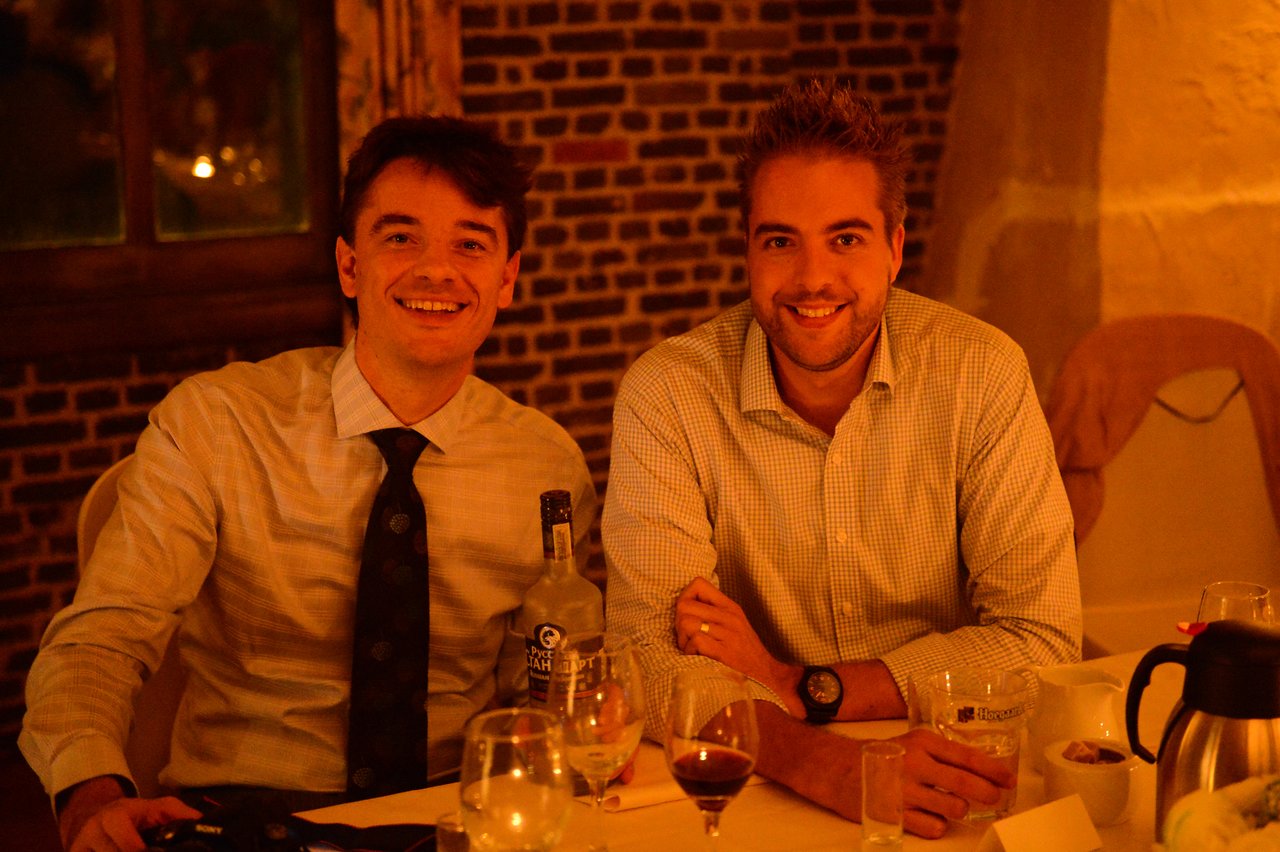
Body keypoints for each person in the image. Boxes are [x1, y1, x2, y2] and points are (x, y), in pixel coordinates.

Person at [20, 115, 596, 851]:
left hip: (451, 818)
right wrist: (89, 794)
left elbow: (538, 690)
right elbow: (102, 638)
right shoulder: (219, 423)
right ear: (350, 266)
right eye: (400, 237)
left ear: (507, 278)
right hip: (240, 817)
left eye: (470, 245)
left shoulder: (545, 466)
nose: (436, 269)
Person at [603, 78, 1081, 839]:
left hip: (948, 776)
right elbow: (646, 660)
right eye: (780, 240)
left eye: (846, 238)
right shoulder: (668, 395)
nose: (813, 277)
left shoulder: (981, 373)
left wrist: (802, 686)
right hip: (752, 790)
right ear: (748, 250)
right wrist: (823, 761)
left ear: (895, 248)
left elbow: (1040, 636)